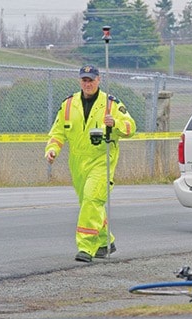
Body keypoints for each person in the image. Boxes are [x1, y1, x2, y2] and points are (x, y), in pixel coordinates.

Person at [45, 65, 136, 262]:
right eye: (84, 80)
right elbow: (58, 132)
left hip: (102, 161)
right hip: (78, 163)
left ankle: (86, 246)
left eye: (91, 80)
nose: (87, 84)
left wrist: (116, 124)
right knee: (90, 203)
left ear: (98, 80)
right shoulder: (68, 105)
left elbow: (131, 127)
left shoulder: (111, 104)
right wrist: (52, 150)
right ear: (80, 81)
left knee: (91, 200)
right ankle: (105, 242)